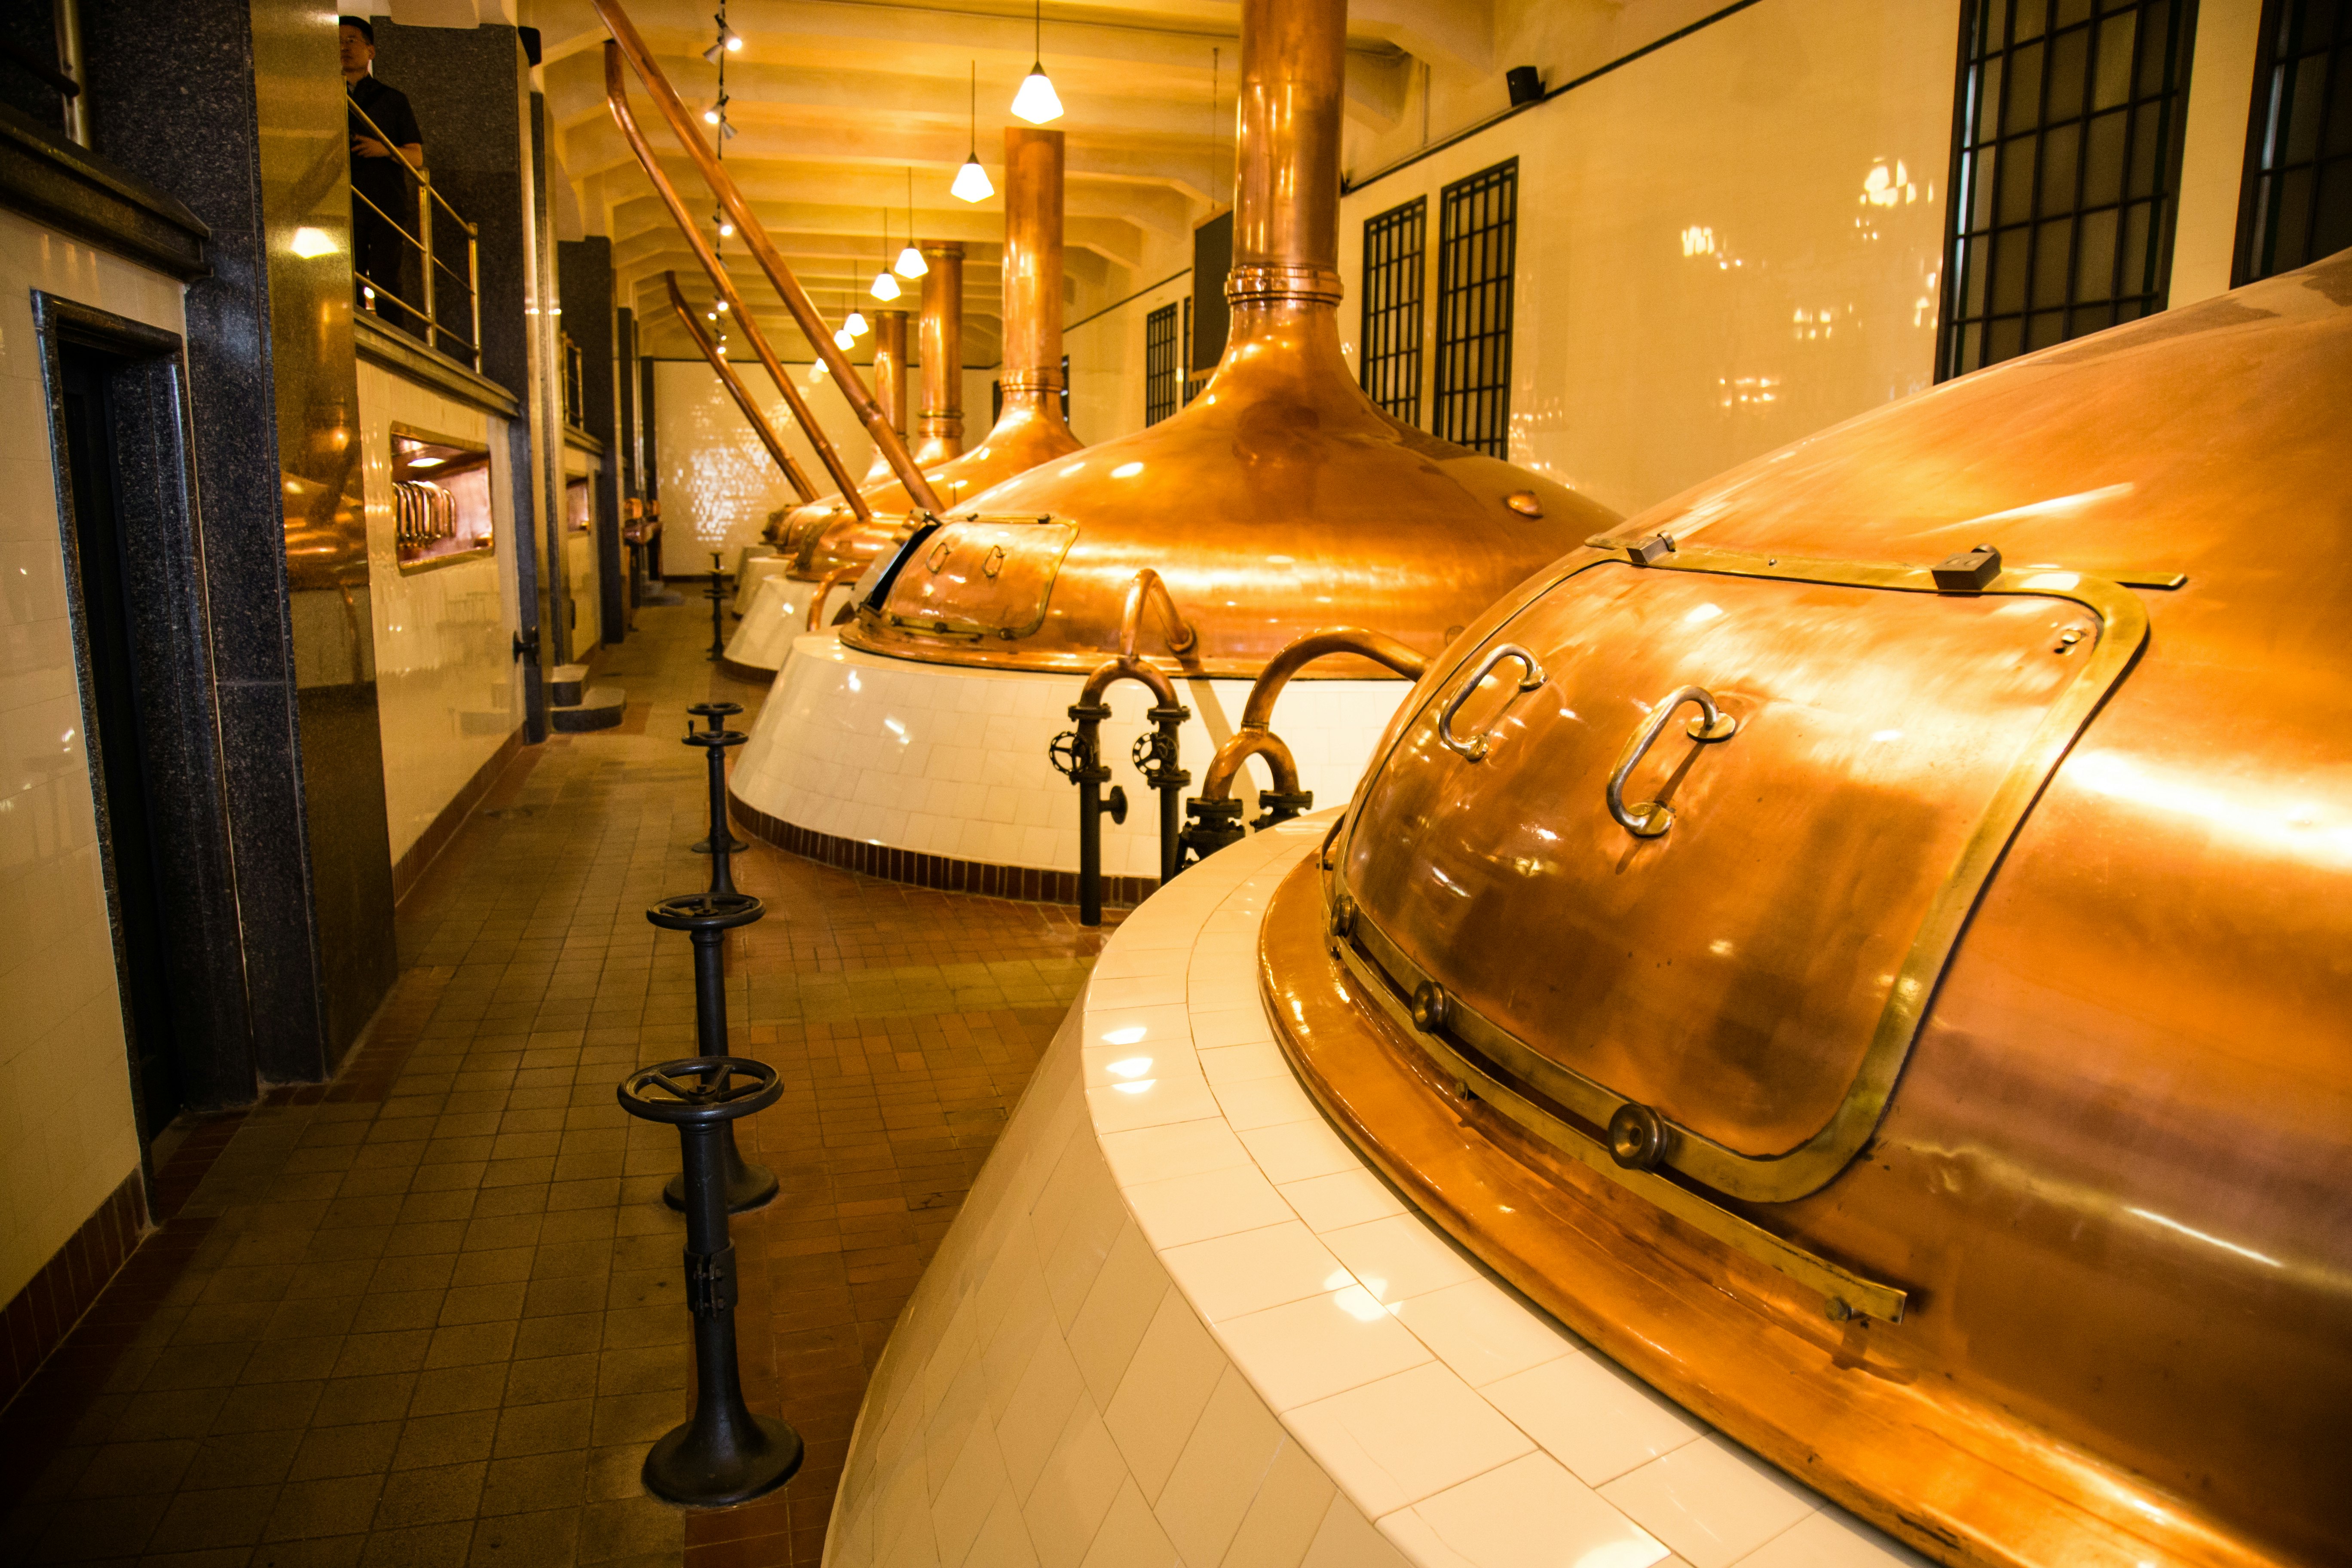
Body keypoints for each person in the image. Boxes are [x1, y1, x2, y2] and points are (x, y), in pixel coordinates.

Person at [338, 17, 424, 334]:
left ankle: (393, 338)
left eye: (352, 40)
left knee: (386, 275)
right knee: (348, 275)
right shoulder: (322, 95)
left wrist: (384, 149)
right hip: (343, 200)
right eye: (337, 41)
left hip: (386, 200)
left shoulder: (392, 99)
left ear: (371, 51)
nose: (344, 47)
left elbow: (417, 157)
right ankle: (353, 335)